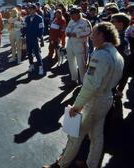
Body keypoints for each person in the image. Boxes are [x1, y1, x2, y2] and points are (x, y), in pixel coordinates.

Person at [43, 22, 124, 168]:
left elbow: (90, 85)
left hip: (94, 100)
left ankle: (61, 165)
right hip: (106, 99)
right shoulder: (116, 54)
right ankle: (92, 164)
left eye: (94, 33)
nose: (91, 36)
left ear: (102, 35)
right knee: (97, 136)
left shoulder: (101, 55)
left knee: (76, 135)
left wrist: (77, 106)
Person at [65, 8, 92, 85]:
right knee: (71, 62)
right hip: (70, 44)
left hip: (80, 45)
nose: (71, 17)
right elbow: (67, 29)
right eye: (71, 15)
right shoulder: (71, 21)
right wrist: (67, 33)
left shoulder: (85, 22)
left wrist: (77, 35)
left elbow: (89, 32)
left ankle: (84, 82)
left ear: (77, 14)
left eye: (72, 15)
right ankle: (74, 79)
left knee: (81, 64)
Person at [22, 4, 45, 75]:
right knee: (29, 53)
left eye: (32, 9)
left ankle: (41, 67)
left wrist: (39, 37)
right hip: (28, 38)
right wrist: (22, 35)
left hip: (35, 38)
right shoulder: (27, 18)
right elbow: (24, 27)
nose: (30, 10)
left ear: (35, 10)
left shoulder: (39, 18)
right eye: (29, 9)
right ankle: (31, 65)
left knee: (37, 53)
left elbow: (41, 29)